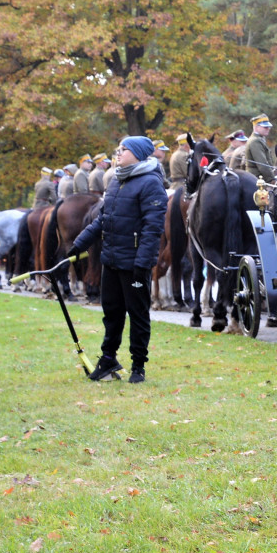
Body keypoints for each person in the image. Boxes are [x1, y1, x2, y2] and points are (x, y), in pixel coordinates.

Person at [67, 136, 168, 384]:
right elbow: (102, 220)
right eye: (119, 149)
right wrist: (79, 244)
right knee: (111, 313)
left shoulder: (151, 183)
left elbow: (152, 229)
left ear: (139, 153)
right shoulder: (116, 181)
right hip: (111, 260)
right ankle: (108, 358)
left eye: (124, 149)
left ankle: (138, 366)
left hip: (134, 264)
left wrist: (142, 264)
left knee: (138, 314)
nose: (118, 153)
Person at [242, 114, 276, 180]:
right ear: (256, 127)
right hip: (256, 180)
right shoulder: (255, 141)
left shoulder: (260, 139)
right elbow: (262, 165)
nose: (268, 129)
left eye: (268, 127)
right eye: (265, 127)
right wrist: (271, 179)